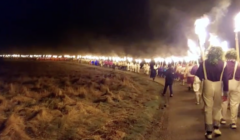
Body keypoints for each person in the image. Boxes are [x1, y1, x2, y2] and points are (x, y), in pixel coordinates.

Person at [196, 47, 228, 139]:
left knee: (208, 108)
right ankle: (216, 127)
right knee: (217, 107)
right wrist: (226, 92)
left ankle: (209, 132)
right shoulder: (224, 64)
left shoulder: (204, 63)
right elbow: (225, 79)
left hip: (207, 84)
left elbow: (199, 75)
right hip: (219, 85)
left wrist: (205, 77)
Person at [221, 49, 240, 129]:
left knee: (224, 102)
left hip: (225, 86)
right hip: (236, 86)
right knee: (234, 104)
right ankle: (233, 122)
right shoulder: (238, 64)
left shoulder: (224, 64)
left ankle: (223, 118)